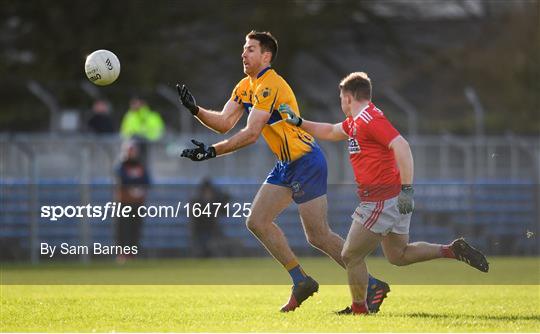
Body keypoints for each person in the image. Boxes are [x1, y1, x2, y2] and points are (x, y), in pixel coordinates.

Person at [177, 31, 389, 312]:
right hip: (286, 164)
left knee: (318, 235)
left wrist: (212, 151)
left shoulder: (270, 85)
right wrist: (196, 110)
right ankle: (300, 279)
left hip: (306, 162)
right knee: (256, 221)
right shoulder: (245, 86)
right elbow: (225, 122)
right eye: (244, 49)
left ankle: (372, 284)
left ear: (266, 56)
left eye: (250, 49)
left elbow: (251, 134)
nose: (243, 54)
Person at [278, 71, 489, 315]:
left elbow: (402, 146)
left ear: (348, 97)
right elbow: (331, 131)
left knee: (350, 254)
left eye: (341, 98)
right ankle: (451, 250)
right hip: (391, 198)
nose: (340, 103)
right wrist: (299, 122)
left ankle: (359, 310)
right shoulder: (358, 120)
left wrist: (407, 189)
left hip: (381, 199)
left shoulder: (369, 119)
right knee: (398, 255)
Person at [114, 140, 151, 262]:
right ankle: (122, 253)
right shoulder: (121, 166)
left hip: (138, 203)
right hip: (124, 203)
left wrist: (135, 183)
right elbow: (124, 179)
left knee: (136, 228)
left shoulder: (141, 166)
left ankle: (133, 253)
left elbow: (147, 181)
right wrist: (135, 182)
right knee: (123, 229)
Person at [190, 178, 231, 258]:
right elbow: (196, 220)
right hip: (200, 232)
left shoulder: (214, 202)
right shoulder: (197, 203)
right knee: (205, 246)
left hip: (212, 232)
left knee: (217, 244)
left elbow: (224, 210)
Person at [120, 96, 165, 163]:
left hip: (149, 145)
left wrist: (146, 137)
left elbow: (159, 131)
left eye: (135, 103)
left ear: (142, 103)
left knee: (146, 163)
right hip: (132, 146)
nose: (133, 105)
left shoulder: (153, 116)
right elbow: (123, 131)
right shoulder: (129, 116)